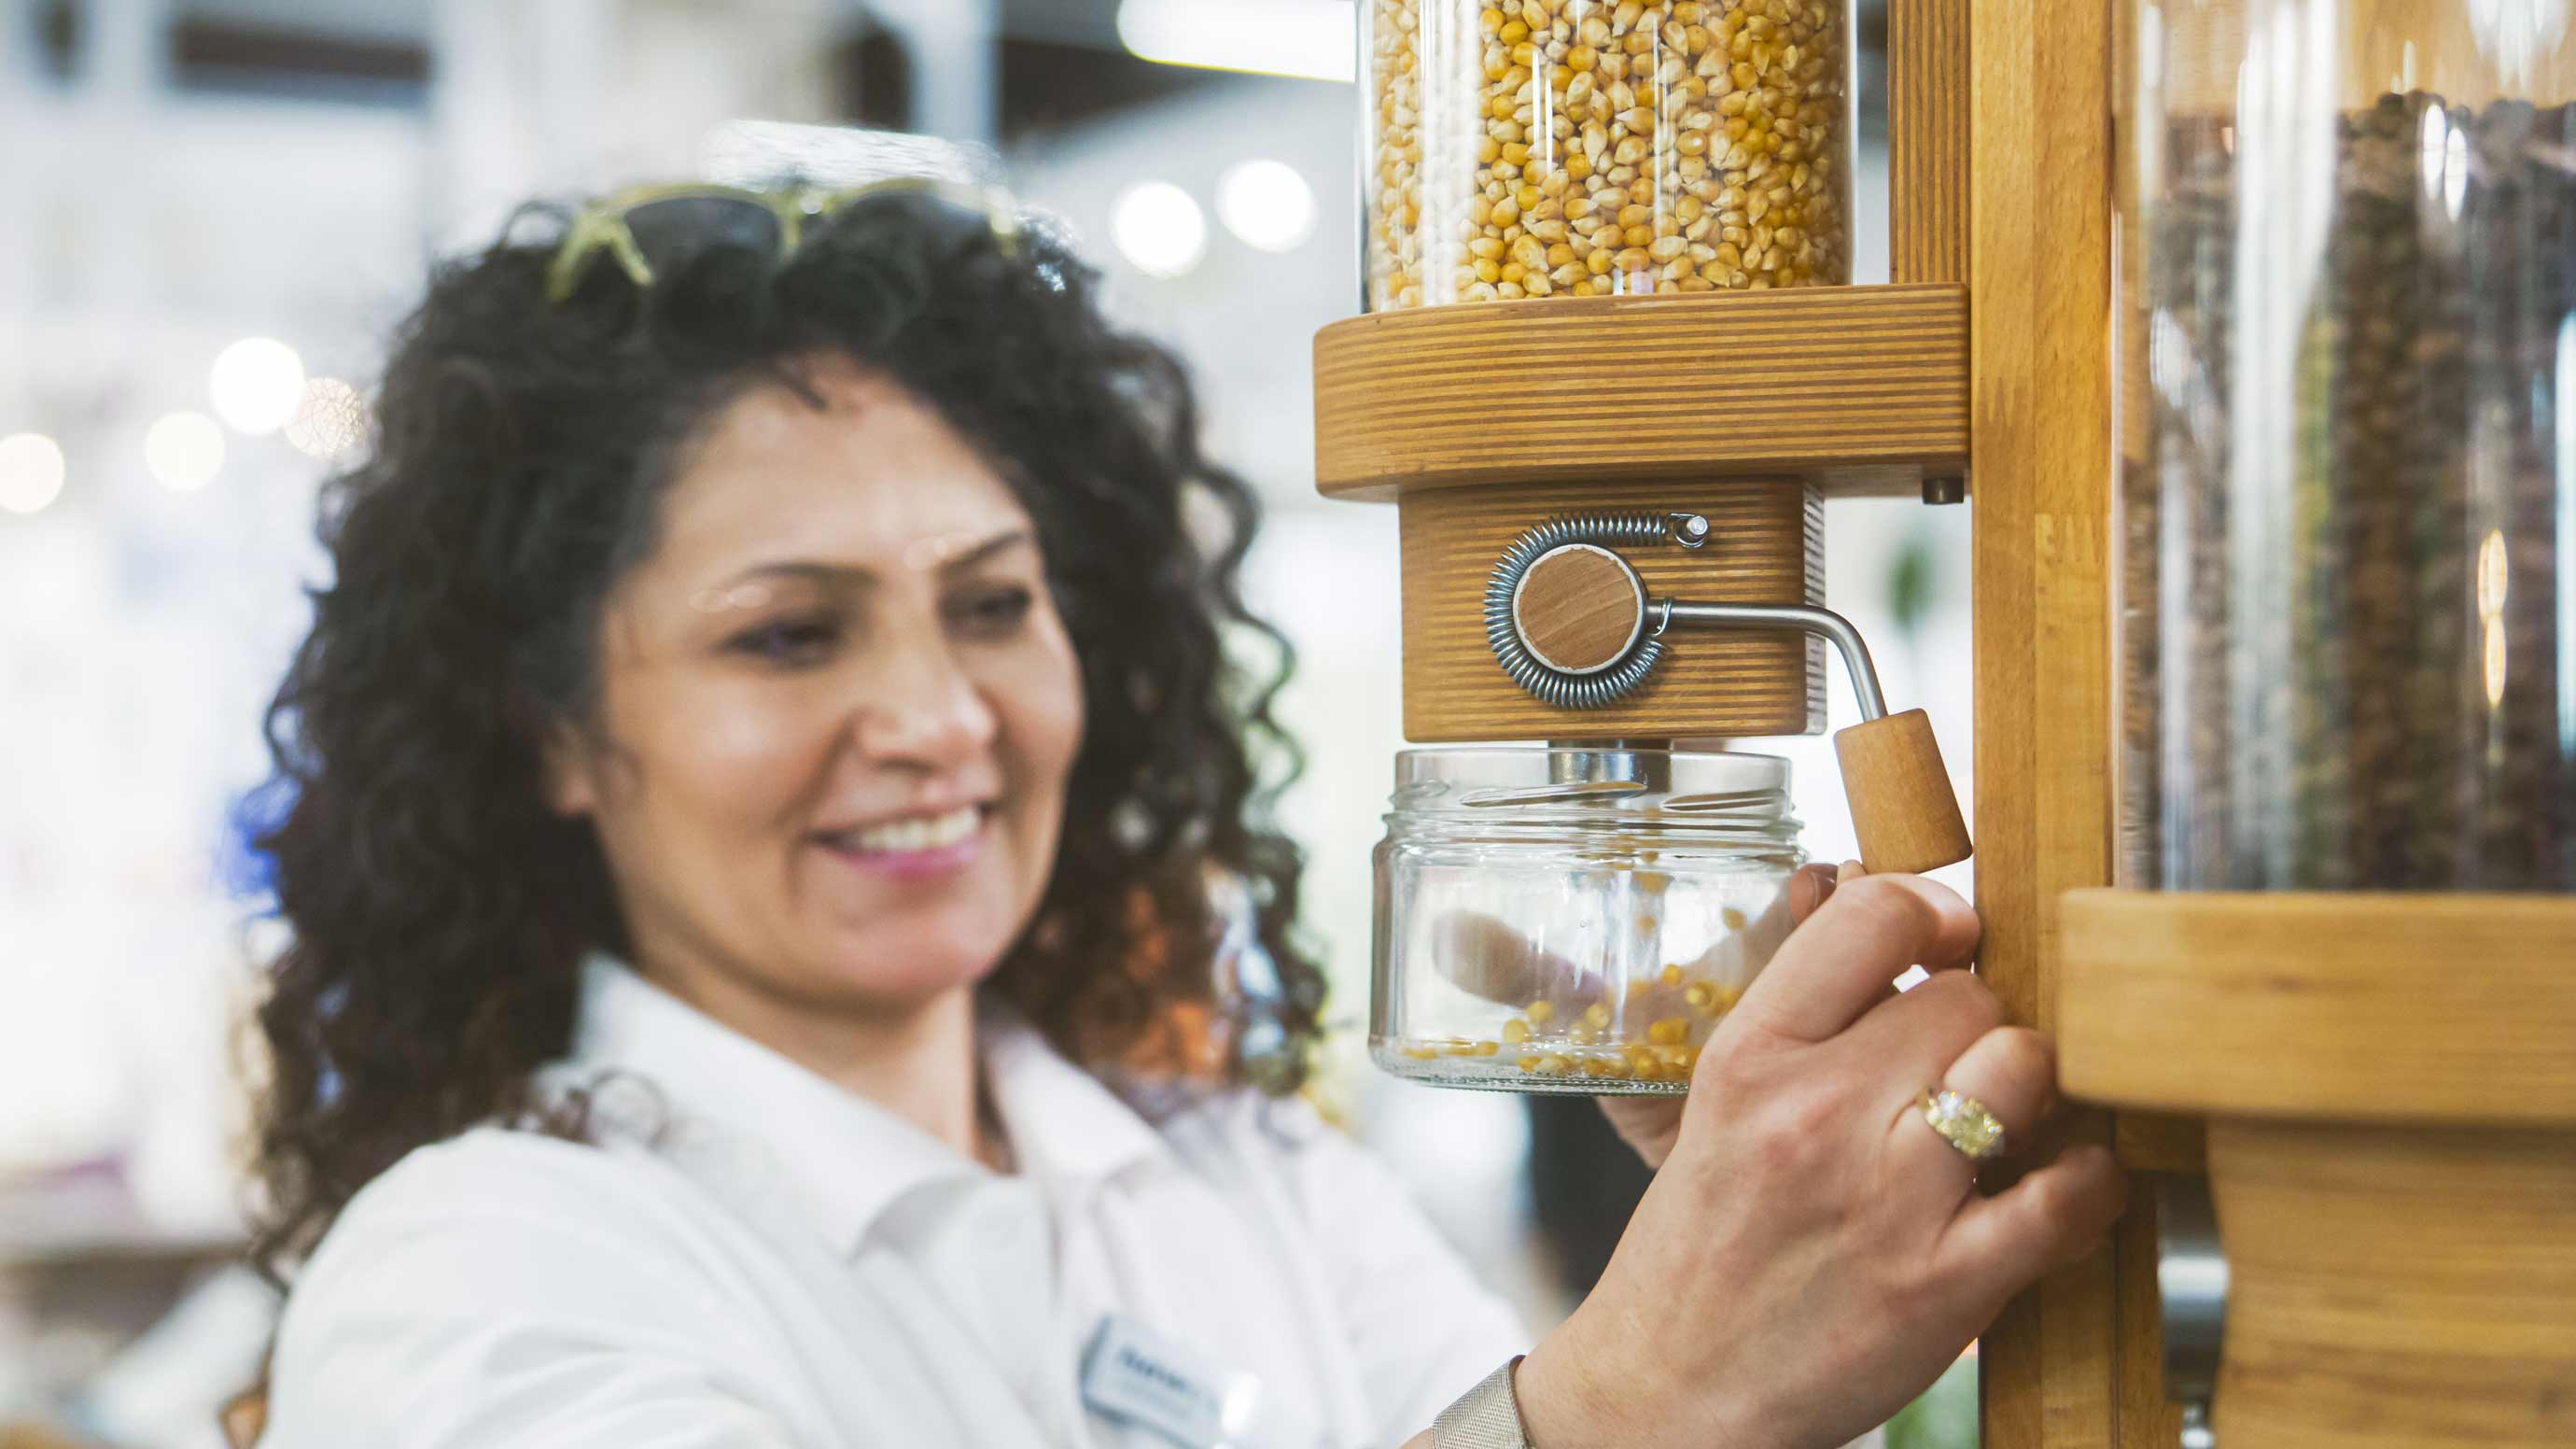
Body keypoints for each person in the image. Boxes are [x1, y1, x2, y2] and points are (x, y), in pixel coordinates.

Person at [242, 177, 2124, 1449]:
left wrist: (1745, 1233)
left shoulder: (1236, 1176)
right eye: (790, 632)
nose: (937, 715)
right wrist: (1636, 1391)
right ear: (550, 728)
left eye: (993, 603)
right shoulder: (480, 1273)